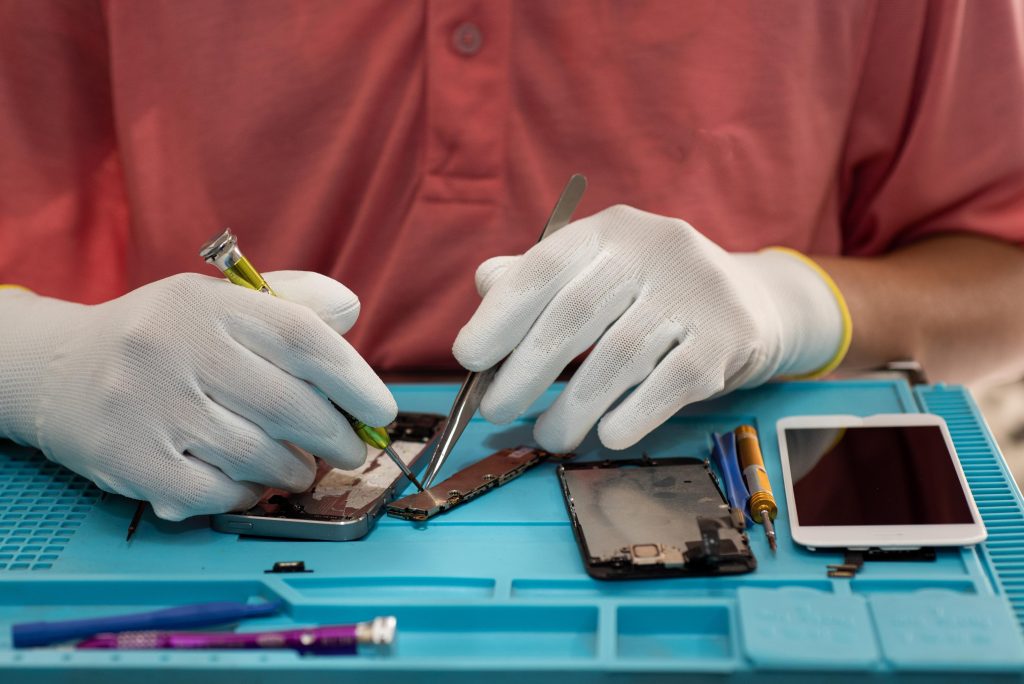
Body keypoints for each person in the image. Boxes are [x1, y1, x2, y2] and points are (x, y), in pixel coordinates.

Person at [1, 1, 1022, 521]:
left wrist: (787, 303)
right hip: (193, 489)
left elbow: (1000, 264)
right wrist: (42, 363)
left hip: (712, 483)